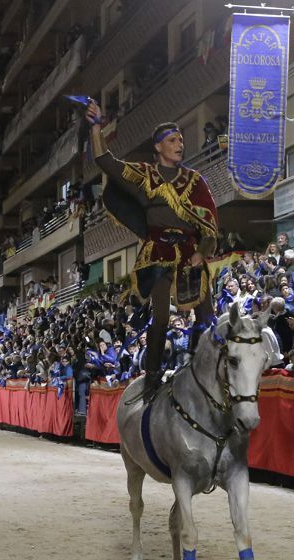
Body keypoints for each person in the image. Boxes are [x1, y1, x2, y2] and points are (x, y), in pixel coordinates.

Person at [88, 100, 218, 402]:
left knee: (207, 317)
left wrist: (202, 250)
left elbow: (211, 223)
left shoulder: (195, 180)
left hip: (190, 251)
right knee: (160, 318)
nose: (179, 144)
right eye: (173, 140)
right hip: (158, 252)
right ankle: (152, 380)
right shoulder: (145, 175)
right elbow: (106, 162)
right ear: (158, 147)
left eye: (181, 140)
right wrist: (96, 128)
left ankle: (205, 371)